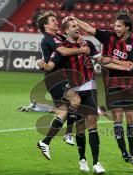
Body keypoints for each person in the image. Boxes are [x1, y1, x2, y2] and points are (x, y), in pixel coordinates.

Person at [40, 17, 133, 174]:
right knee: (80, 128)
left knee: (93, 126)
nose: (77, 28)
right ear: (66, 31)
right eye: (73, 26)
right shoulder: (62, 48)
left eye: (77, 26)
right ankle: (82, 159)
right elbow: (50, 66)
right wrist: (42, 65)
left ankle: (96, 163)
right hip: (74, 90)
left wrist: (122, 66)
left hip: (89, 88)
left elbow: (102, 60)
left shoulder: (88, 44)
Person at [71, 9, 133, 168]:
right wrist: (74, 18)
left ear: (127, 28)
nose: (115, 28)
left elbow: (130, 65)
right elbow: (89, 29)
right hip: (112, 85)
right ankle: (124, 152)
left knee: (131, 119)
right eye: (115, 25)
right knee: (117, 118)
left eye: (119, 26)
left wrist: (109, 61)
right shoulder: (107, 36)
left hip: (128, 85)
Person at [36, 11, 91, 159]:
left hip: (61, 77)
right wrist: (82, 50)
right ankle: (68, 134)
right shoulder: (48, 39)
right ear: (46, 25)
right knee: (76, 101)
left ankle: (45, 142)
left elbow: (74, 39)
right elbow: (63, 51)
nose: (56, 22)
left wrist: (75, 27)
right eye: (53, 21)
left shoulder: (58, 37)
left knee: (64, 112)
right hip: (55, 78)